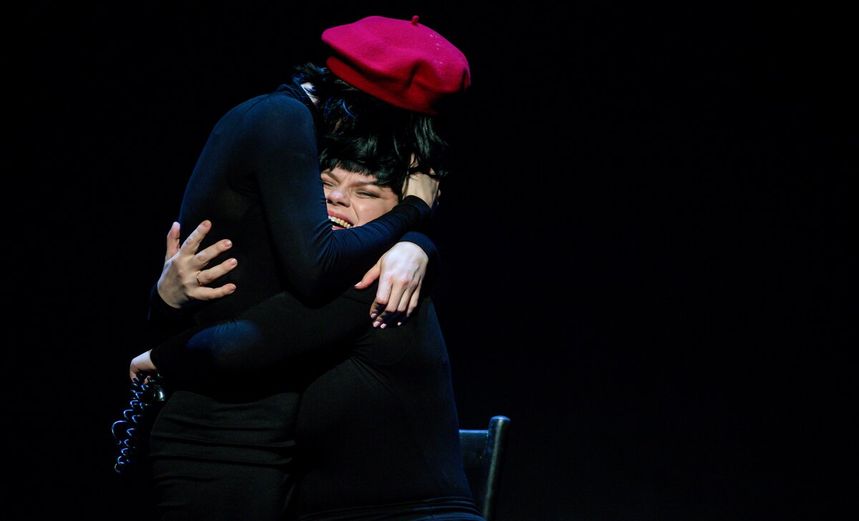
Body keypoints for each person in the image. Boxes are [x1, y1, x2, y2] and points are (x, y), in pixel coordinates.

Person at [127, 14, 478, 521]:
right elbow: (294, 285)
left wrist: (417, 241)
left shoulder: (374, 269)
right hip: (221, 436)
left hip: (289, 457)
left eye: (366, 190)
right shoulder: (281, 123)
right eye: (325, 185)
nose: (335, 201)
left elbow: (261, 324)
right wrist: (414, 215)